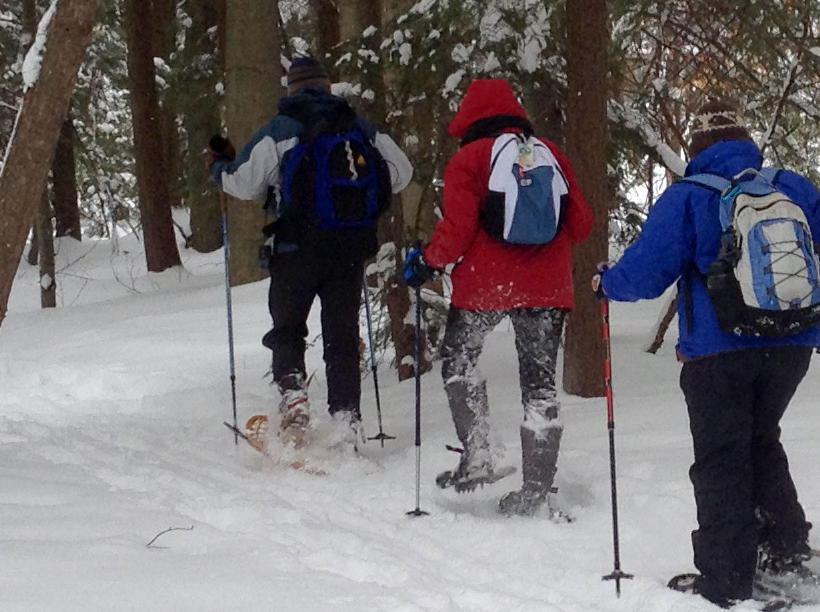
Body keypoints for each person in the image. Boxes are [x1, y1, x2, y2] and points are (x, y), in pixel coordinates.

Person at [596, 106, 820, 608]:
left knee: (721, 458)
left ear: (697, 151)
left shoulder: (690, 196)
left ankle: (726, 577)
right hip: (791, 345)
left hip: (719, 351)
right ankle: (782, 550)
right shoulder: (793, 189)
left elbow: (646, 274)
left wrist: (604, 283)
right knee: (762, 440)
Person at [413, 74, 595, 515]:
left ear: (470, 118)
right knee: (540, 387)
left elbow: (456, 232)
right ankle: (535, 491)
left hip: (485, 286)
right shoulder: (549, 154)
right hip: (548, 289)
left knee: (459, 360)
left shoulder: (469, 160)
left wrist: (428, 261)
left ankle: (478, 459)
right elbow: (581, 225)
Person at [215, 53, 413, 445]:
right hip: (349, 248)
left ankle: (294, 400)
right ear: (328, 86)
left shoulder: (281, 129)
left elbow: (242, 182)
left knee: (288, 328)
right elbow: (402, 172)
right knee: (341, 335)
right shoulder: (359, 127)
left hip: (295, 247)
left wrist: (219, 168)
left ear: (291, 89)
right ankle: (347, 419)